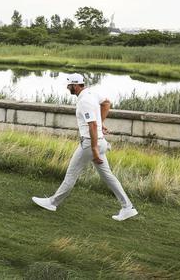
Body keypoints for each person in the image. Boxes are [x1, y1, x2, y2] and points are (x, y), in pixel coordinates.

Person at [31, 73, 138, 221]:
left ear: (75, 85)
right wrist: (101, 125)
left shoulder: (84, 101)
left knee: (71, 175)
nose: (68, 88)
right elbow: (107, 103)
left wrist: (94, 148)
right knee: (108, 176)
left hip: (90, 144)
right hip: (99, 142)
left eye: (69, 86)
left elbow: (92, 125)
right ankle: (128, 207)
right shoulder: (91, 93)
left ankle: (52, 203)